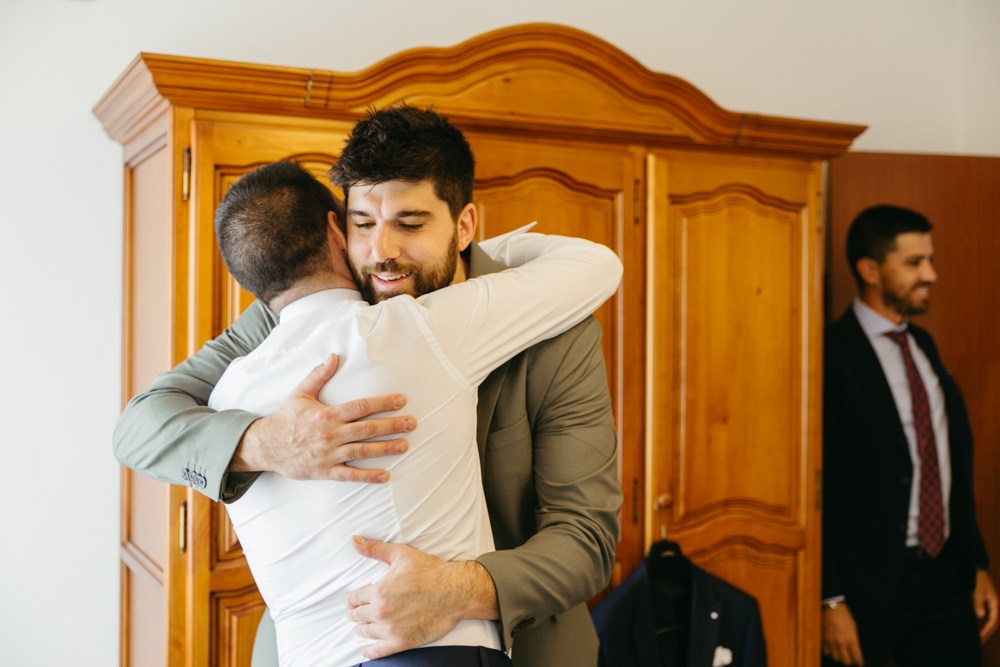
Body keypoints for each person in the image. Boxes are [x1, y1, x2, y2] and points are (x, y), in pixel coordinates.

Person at [112, 105, 622, 666]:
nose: (382, 252)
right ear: (338, 228)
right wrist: (265, 443)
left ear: (465, 226)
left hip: (519, 648)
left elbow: (586, 540)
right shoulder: (304, 303)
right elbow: (140, 425)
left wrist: (460, 590)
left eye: (410, 224)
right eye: (363, 223)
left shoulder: (557, 329)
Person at [821, 204, 999, 666]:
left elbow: (949, 460)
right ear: (870, 270)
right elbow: (815, 487)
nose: (932, 274)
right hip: (870, 589)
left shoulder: (923, 346)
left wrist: (976, 565)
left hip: (944, 581)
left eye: (930, 260)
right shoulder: (831, 356)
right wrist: (830, 600)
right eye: (915, 262)